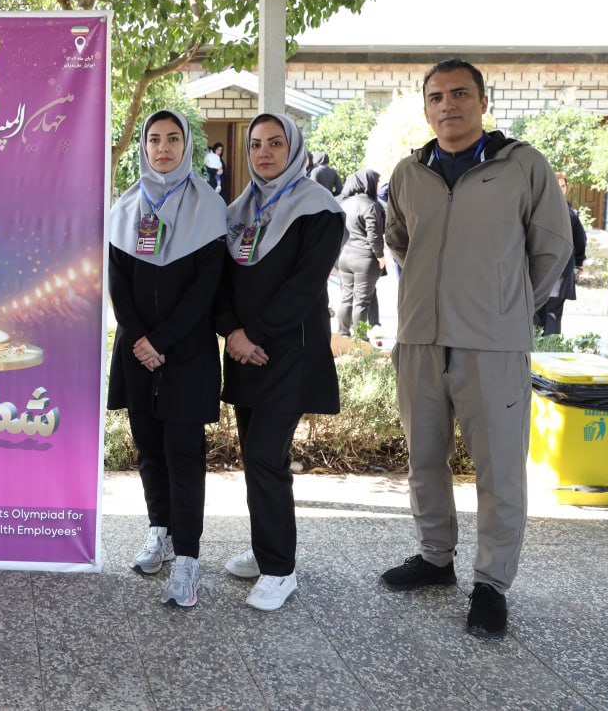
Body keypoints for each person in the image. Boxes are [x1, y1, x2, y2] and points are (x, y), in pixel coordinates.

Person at [382, 58, 572, 639]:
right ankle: (435, 557)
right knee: (424, 459)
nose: (448, 105)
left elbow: (551, 247)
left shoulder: (522, 166)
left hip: (492, 345)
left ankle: (491, 584)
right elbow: (400, 240)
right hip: (420, 340)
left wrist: (505, 305)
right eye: (436, 97)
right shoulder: (409, 173)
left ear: (483, 102)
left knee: (499, 471)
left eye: (460, 93)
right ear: (426, 109)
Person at [214, 112, 345, 612]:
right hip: (245, 353)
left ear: (294, 149)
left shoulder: (319, 209)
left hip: (289, 353)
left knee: (267, 455)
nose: (264, 152)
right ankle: (265, 545)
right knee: (255, 455)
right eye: (256, 144)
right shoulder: (239, 210)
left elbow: (304, 286)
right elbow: (220, 282)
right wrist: (232, 332)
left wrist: (253, 334)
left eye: (275, 143)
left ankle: (279, 569)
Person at [107, 110, 227, 607]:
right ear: (143, 147)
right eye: (154, 139)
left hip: (186, 352)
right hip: (137, 351)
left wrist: (162, 340)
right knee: (148, 449)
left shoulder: (209, 206)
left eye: (173, 139)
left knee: (184, 453)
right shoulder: (125, 207)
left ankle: (188, 559)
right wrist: (140, 338)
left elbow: (206, 288)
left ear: (186, 146)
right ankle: (159, 530)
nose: (163, 148)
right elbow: (117, 282)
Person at [533, 173, 587, 335]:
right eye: (557, 185)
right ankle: (549, 348)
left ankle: (538, 348)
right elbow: (580, 241)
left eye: (563, 186)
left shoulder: (538, 210)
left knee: (543, 313)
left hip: (554, 272)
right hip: (544, 271)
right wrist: (579, 263)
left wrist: (579, 263)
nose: (560, 189)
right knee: (549, 315)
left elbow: (579, 240)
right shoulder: (567, 213)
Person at [335, 169, 386, 335]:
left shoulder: (344, 203)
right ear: (368, 183)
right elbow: (374, 235)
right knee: (362, 301)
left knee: (346, 298)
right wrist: (380, 256)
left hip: (345, 256)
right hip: (365, 257)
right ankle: (360, 338)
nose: (378, 185)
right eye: (377, 181)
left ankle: (343, 333)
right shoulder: (371, 205)